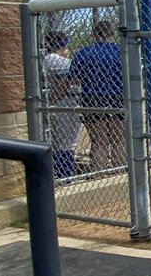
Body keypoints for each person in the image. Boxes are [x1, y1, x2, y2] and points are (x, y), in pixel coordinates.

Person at [70, 19, 126, 171]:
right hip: (118, 97)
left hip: (92, 97)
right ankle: (118, 173)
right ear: (112, 34)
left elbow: (74, 79)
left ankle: (99, 176)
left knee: (99, 141)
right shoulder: (122, 51)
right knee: (118, 140)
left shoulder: (84, 52)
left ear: (94, 34)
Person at [43, 31, 82, 179]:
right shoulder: (54, 58)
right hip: (63, 103)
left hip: (62, 103)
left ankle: (62, 175)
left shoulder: (48, 58)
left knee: (62, 143)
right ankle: (64, 177)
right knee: (65, 144)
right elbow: (74, 77)